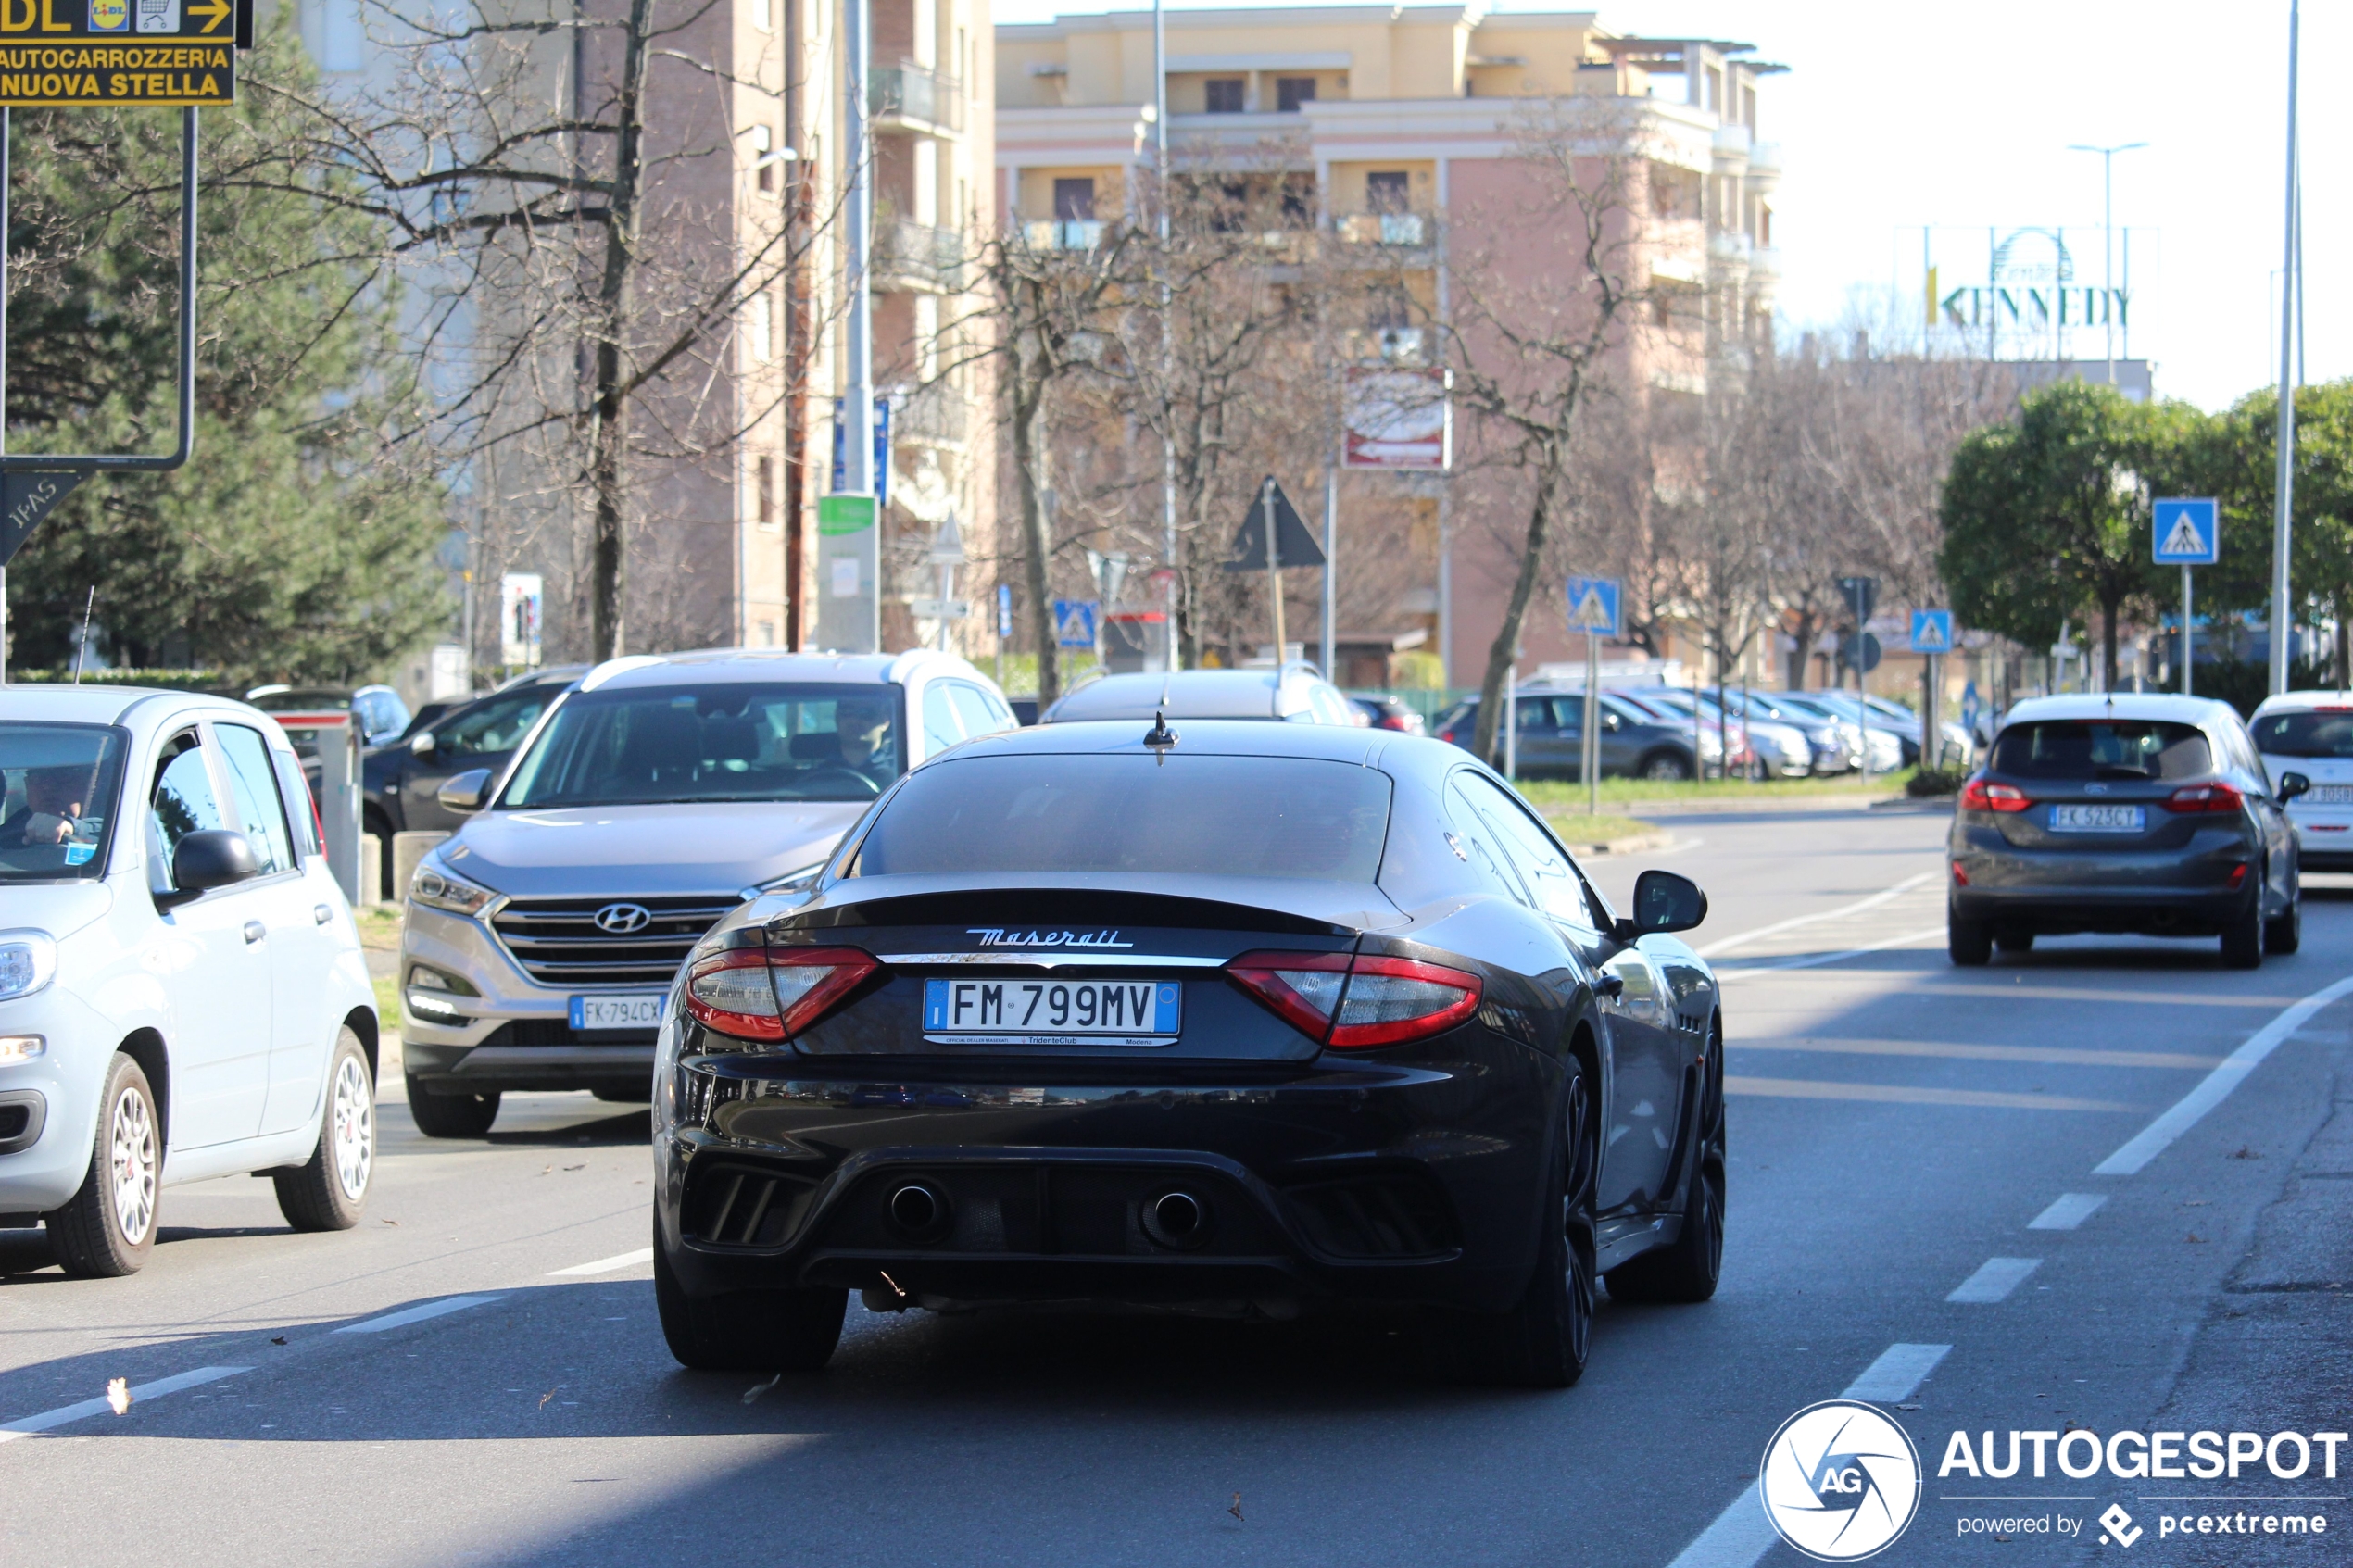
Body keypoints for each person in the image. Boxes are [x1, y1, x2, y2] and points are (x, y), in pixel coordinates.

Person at [0, 765, 89, 848]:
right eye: (37, 778)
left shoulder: (101, 832)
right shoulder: (8, 833)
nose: (48, 786)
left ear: (89, 784)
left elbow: (99, 833)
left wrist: (75, 828)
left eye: (64, 776)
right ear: (27, 785)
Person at [833, 695, 898, 786]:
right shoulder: (818, 775)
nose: (854, 720)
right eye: (846, 712)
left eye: (866, 713)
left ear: (885, 722)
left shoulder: (902, 774)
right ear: (836, 718)